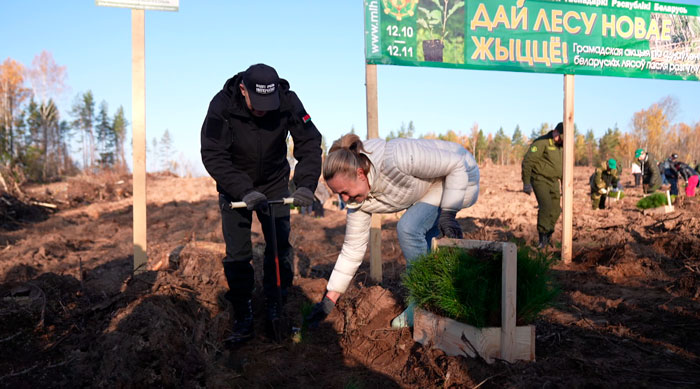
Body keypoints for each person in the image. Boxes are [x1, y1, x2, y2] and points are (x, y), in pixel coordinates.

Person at [200, 63, 322, 345]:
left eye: (270, 104)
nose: (264, 111)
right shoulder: (222, 105)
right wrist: (242, 190)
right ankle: (243, 313)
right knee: (238, 252)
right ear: (243, 90)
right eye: (258, 104)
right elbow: (212, 154)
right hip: (234, 185)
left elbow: (309, 141)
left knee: (279, 247)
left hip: (274, 182)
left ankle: (276, 306)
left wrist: (305, 184)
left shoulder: (287, 100)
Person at [304, 134, 480, 329]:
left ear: (361, 174)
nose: (345, 199)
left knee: (409, 228)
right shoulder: (358, 202)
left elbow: (456, 164)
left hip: (461, 174)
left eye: (345, 191)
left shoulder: (397, 157)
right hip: (431, 188)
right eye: (339, 194)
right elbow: (352, 250)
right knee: (428, 247)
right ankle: (447, 297)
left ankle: (421, 303)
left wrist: (449, 212)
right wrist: (330, 299)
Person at [521, 122, 563, 249]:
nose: (561, 140)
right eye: (560, 136)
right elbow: (528, 161)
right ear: (555, 132)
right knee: (546, 207)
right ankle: (542, 239)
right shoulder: (542, 142)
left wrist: (566, 186)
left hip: (554, 181)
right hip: (540, 179)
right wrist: (526, 183)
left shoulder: (562, 146)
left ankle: (549, 233)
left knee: (556, 210)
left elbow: (563, 167)